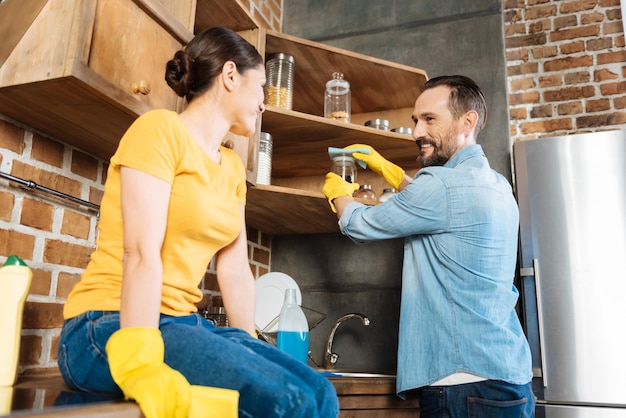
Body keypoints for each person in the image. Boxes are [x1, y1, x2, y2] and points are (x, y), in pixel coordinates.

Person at [58, 26, 338, 418]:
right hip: (109, 326)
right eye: (259, 87)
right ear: (229, 76)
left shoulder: (232, 169)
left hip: (183, 326)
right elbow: (139, 251)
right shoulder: (160, 131)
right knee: (288, 400)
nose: (263, 104)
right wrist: (139, 357)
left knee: (319, 393)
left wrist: (248, 348)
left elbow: (237, 272)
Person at [322, 75, 535, 417]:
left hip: (463, 386)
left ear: (469, 121)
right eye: (415, 120)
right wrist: (392, 174)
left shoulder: (440, 185)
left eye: (430, 119)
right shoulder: (497, 185)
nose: (417, 132)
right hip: (509, 380)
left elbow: (359, 225)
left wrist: (339, 194)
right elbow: (442, 208)